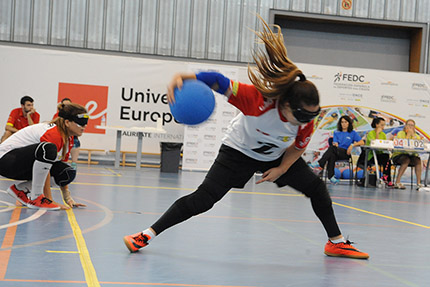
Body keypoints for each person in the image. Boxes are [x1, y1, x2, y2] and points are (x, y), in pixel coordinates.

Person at [123, 16, 369, 259]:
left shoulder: (306, 121)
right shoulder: (256, 100)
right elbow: (218, 81)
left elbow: (297, 148)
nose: (307, 123)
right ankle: (146, 234)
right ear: (285, 105)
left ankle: (336, 242)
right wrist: (188, 78)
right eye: (302, 117)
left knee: (316, 188)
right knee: (204, 199)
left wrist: (282, 169)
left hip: (276, 156)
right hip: (237, 153)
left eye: (311, 118)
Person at [0, 102, 88, 210]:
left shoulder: (68, 139)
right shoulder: (54, 133)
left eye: (86, 123)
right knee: (48, 149)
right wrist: (49, 200)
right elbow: (46, 164)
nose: (84, 126)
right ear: (67, 122)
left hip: (22, 163)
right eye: (81, 123)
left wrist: (68, 198)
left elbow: (55, 166)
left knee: (66, 172)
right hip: (6, 161)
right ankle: (37, 198)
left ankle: (20, 190)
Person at [310, 115, 364, 184]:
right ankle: (331, 176)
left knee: (332, 150)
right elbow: (335, 143)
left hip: (346, 153)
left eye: (345, 122)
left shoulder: (353, 133)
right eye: (342, 122)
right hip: (337, 151)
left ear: (348, 123)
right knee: (332, 153)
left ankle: (320, 163)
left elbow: (362, 142)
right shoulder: (336, 132)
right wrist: (335, 144)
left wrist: (352, 145)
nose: (343, 124)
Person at [357, 117, 392, 186]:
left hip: (379, 154)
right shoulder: (370, 133)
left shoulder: (383, 134)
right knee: (383, 158)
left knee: (387, 159)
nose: (383, 127)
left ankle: (386, 178)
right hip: (371, 156)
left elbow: (384, 145)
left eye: (384, 125)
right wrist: (377, 134)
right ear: (376, 125)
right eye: (382, 125)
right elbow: (375, 144)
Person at [392, 119, 423, 190]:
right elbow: (402, 145)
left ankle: (418, 183)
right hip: (399, 155)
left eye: (412, 125)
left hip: (411, 155)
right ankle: (397, 182)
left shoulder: (416, 136)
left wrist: (413, 136)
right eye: (409, 125)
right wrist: (408, 135)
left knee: (418, 160)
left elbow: (418, 146)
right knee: (406, 159)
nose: (410, 127)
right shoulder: (400, 133)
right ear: (405, 126)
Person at [53, 98, 81, 170]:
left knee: (76, 142)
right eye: (64, 105)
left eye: (68, 105)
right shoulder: (57, 115)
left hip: (70, 136)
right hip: (60, 135)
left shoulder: (75, 115)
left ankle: (74, 163)